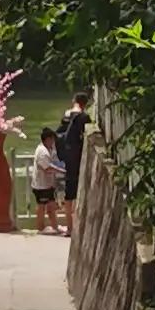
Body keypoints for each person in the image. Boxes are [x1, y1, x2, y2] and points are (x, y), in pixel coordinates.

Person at [55, 92, 91, 226]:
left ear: (73, 101)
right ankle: (79, 225)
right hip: (80, 158)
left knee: (69, 194)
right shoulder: (84, 117)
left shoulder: (66, 115)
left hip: (66, 159)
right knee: (81, 192)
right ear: (85, 104)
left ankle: (70, 227)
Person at [29, 126, 65, 233]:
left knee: (51, 206)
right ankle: (40, 228)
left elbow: (54, 163)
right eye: (52, 139)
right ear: (47, 139)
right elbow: (48, 168)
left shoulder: (49, 149)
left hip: (48, 185)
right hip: (41, 186)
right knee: (41, 207)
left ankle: (55, 227)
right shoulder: (42, 152)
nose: (53, 142)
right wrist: (62, 171)